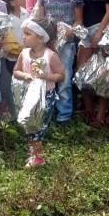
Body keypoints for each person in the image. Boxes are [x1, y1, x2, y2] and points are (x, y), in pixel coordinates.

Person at [35, 0, 83, 124]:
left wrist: (72, 31)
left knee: (64, 78)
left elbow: (78, 21)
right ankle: (46, 111)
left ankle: (64, 114)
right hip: (47, 45)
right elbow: (40, 21)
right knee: (45, 77)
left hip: (66, 45)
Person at [14, 19, 64, 167]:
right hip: (28, 95)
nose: (23, 37)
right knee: (29, 124)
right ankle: (33, 151)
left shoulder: (50, 56)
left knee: (38, 125)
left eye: (28, 34)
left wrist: (45, 76)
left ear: (41, 38)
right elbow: (16, 71)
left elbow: (61, 75)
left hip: (45, 96)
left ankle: (37, 157)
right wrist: (25, 76)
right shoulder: (24, 54)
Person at [0, 0, 28, 116]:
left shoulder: (26, 13)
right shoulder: (6, 18)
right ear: (12, 2)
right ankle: (13, 111)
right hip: (11, 58)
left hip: (26, 56)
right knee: (9, 86)